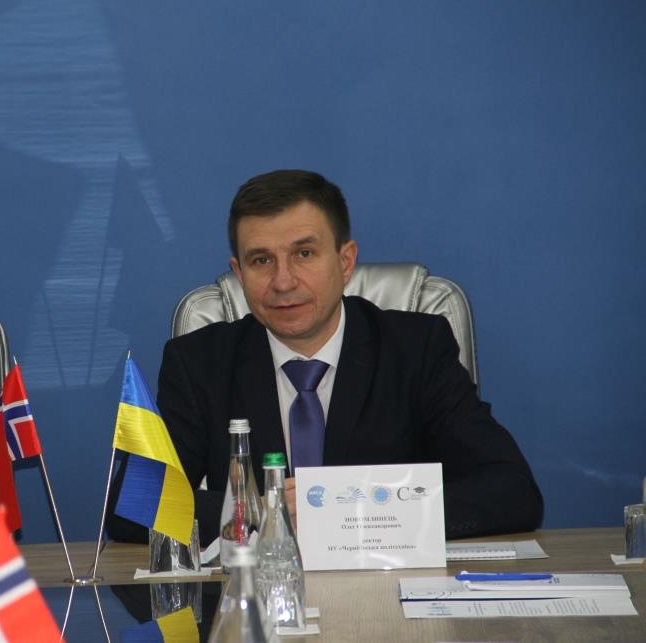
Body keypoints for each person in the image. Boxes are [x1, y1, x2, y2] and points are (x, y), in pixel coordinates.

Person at [108, 169, 542, 545]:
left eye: (304, 254)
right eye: (261, 260)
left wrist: (352, 511)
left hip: (389, 590)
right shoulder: (199, 362)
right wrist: (263, 513)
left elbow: (513, 492)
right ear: (239, 273)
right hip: (260, 599)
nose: (283, 281)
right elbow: (132, 508)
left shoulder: (416, 349)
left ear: (345, 261)